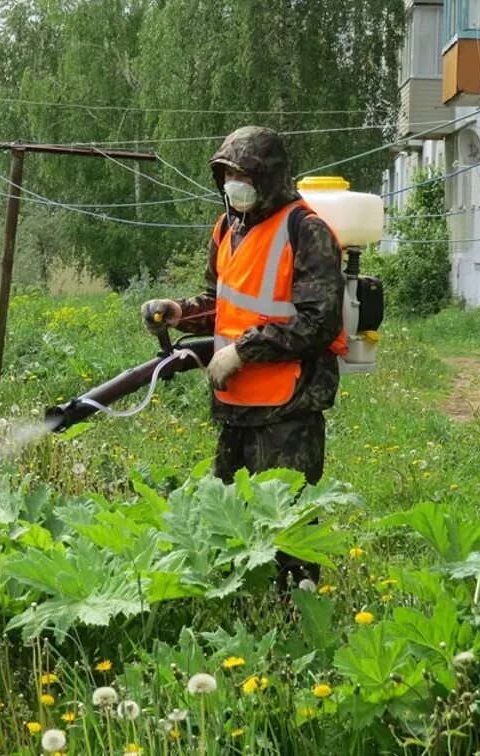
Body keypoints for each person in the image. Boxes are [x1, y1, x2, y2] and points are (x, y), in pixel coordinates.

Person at [141, 126, 345, 591]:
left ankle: (297, 610)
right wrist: (180, 312)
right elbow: (221, 301)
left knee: (285, 524)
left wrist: (244, 350)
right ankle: (245, 604)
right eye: (226, 174)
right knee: (230, 518)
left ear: (269, 176)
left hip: (288, 408)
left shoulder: (307, 230)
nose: (234, 183)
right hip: (235, 404)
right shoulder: (226, 228)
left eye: (243, 174)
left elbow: (320, 321)